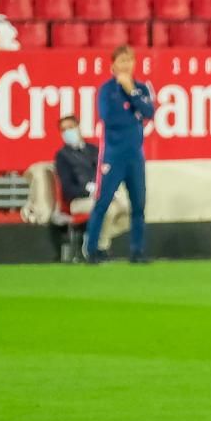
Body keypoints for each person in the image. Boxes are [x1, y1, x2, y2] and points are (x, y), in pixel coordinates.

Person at [86, 45, 155, 264]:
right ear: (113, 65)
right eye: (122, 61)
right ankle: (92, 249)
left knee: (139, 205)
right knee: (103, 203)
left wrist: (131, 92)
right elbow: (110, 118)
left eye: (129, 60)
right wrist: (133, 111)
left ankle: (137, 251)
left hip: (135, 157)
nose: (126, 65)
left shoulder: (141, 88)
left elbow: (149, 112)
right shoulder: (107, 90)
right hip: (113, 156)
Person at [52, 115, 127, 260]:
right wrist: (88, 190)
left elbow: (104, 172)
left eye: (70, 127)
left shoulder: (93, 150)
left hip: (100, 197)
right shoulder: (62, 156)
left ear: (78, 127)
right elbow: (67, 188)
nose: (67, 132)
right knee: (108, 209)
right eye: (64, 130)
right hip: (78, 201)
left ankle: (93, 236)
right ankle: (99, 248)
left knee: (125, 211)